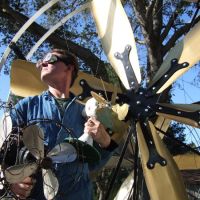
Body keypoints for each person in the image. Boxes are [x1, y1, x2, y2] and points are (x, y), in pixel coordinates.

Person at [8, 49, 118, 200]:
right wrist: (11, 180)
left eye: (49, 58)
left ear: (69, 67)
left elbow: (93, 164)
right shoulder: (26, 106)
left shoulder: (89, 113)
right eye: (41, 61)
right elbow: (3, 147)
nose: (42, 63)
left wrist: (106, 142)